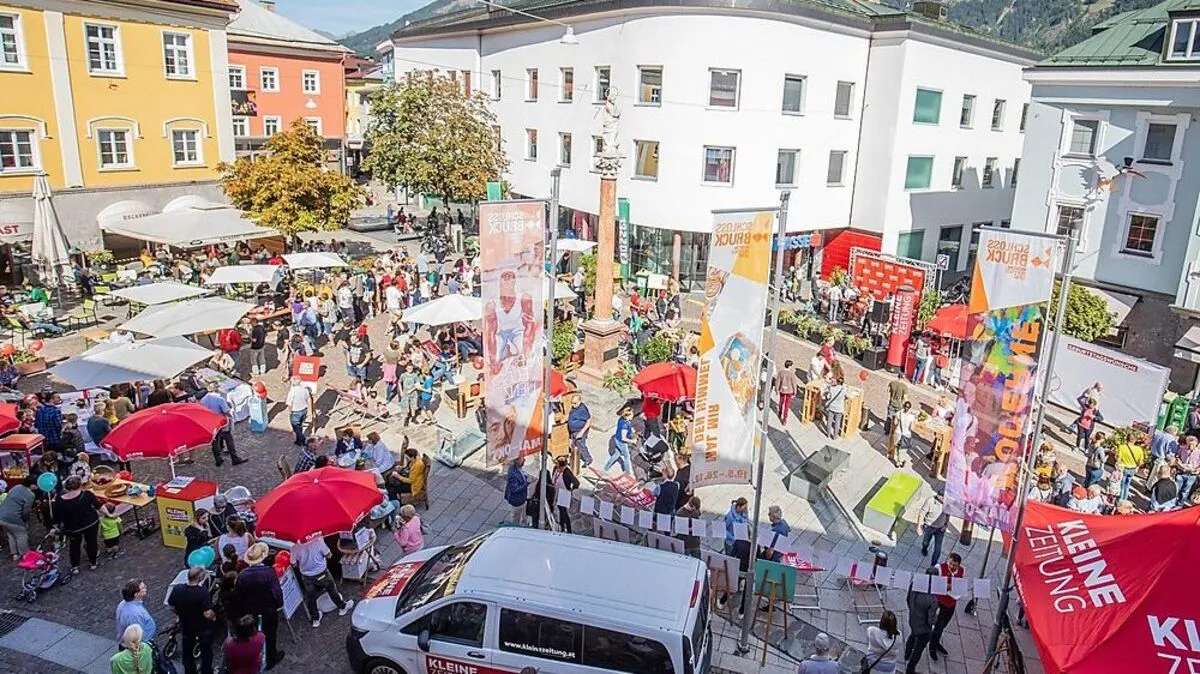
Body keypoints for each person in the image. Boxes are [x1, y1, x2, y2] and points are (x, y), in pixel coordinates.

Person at [236, 543, 284, 669]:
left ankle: (255, 656)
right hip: (268, 609)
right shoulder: (269, 572)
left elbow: (238, 595)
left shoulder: (242, 575)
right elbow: (277, 592)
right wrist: (279, 604)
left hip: (250, 610)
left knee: (253, 634)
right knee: (270, 634)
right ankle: (270, 659)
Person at [291, 535, 353, 628]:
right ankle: (342, 607)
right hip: (322, 572)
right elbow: (329, 555)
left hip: (307, 576)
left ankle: (315, 619)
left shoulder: (294, 547)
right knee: (332, 590)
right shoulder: (318, 540)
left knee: (311, 597)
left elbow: (294, 564)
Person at [168, 566, 217, 674]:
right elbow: (207, 613)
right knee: (206, 653)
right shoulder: (202, 592)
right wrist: (214, 617)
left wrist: (179, 613)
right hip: (203, 627)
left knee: (187, 653)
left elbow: (171, 606)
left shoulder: (178, 589)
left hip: (186, 626)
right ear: (200, 578)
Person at [53, 475, 102, 572]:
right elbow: (98, 506)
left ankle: (75, 566)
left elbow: (57, 516)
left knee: (74, 546)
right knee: (91, 543)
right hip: (90, 523)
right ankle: (93, 563)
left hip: (73, 527)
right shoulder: (87, 495)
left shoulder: (60, 501)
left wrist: (56, 526)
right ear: (80, 485)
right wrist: (109, 513)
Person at [928, 553, 965, 662]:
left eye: (955, 565)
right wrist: (949, 586)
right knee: (938, 627)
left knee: (943, 626)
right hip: (940, 603)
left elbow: (960, 584)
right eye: (950, 564)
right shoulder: (940, 568)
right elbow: (933, 584)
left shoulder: (962, 571)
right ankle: (932, 647)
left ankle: (936, 641)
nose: (952, 567)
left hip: (951, 604)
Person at [200, 384, 247, 466]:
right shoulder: (220, 399)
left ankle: (218, 459)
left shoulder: (203, 400)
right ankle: (234, 458)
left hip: (211, 423)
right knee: (229, 439)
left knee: (214, 441)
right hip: (221, 422)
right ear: (217, 389)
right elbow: (226, 411)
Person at [904, 567, 939, 674]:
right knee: (919, 649)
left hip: (913, 619)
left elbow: (908, 599)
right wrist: (937, 614)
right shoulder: (933, 599)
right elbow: (931, 621)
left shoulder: (914, 584)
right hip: (924, 628)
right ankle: (910, 669)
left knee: (913, 635)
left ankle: (907, 653)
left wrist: (913, 611)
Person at [0, 474, 37, 559]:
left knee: (11, 534)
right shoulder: (30, 495)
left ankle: (15, 554)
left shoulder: (16, 487)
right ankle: (25, 555)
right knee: (21, 534)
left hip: (1, 515)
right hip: (13, 517)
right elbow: (26, 511)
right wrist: (25, 521)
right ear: (32, 485)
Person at [115, 578, 156, 645]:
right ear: (136, 594)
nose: (146, 588)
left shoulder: (123, 603)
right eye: (143, 588)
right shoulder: (135, 614)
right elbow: (137, 636)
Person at [1115, 432, 1148, 502]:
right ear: (1135, 440)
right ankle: (1125, 499)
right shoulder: (1139, 449)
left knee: (1122, 484)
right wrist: (1137, 467)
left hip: (1124, 468)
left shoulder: (1122, 447)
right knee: (1127, 484)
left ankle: (1120, 499)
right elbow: (1141, 462)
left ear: (1127, 439)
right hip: (1132, 469)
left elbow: (1118, 459)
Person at [916, 491, 948, 564]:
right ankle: (924, 549)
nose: (944, 499)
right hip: (929, 527)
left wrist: (946, 525)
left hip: (940, 529)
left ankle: (933, 564)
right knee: (925, 542)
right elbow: (922, 514)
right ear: (938, 495)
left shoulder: (947, 503)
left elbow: (948, 515)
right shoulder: (930, 501)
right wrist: (919, 527)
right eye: (942, 496)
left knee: (938, 548)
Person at [550, 455, 579, 533]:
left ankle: (568, 529)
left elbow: (576, 483)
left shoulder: (567, 472)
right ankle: (562, 526)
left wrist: (571, 490)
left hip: (564, 494)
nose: (556, 464)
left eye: (557, 463)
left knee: (564, 512)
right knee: (560, 510)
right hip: (556, 491)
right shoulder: (555, 469)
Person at [605, 406, 635, 474]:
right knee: (627, 457)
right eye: (632, 415)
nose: (633, 416)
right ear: (628, 415)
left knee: (616, 454)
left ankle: (606, 468)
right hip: (622, 443)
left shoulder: (622, 419)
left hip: (617, 439)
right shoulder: (624, 426)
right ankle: (628, 473)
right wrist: (633, 441)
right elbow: (623, 438)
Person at [566, 394, 593, 467]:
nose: (573, 405)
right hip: (573, 431)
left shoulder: (583, 410)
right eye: (572, 403)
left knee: (581, 445)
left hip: (580, 430)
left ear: (580, 401)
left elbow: (588, 421)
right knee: (573, 445)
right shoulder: (574, 407)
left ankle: (588, 459)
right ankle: (573, 460)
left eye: (575, 403)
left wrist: (581, 432)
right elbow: (570, 413)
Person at [286, 377, 315, 447]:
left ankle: (303, 440)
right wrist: (309, 410)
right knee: (300, 426)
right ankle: (298, 441)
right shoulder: (305, 390)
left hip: (295, 411)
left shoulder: (292, 392)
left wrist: (290, 411)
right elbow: (309, 400)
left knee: (296, 427)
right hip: (304, 410)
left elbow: (289, 403)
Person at [891, 402, 917, 468]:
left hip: (898, 432)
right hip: (906, 434)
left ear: (903, 406)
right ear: (910, 408)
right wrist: (915, 421)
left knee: (896, 446)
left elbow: (895, 423)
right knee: (903, 448)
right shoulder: (911, 417)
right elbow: (911, 428)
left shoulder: (899, 413)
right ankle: (901, 461)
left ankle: (897, 461)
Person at [1176, 434, 1200, 507]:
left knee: (1185, 491)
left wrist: (1197, 470)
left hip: (1192, 474)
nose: (1190, 446)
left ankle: (1180, 504)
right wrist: (1180, 463)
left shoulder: (1198, 453)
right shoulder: (1182, 448)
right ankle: (1173, 503)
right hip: (1181, 471)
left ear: (1196, 444)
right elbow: (1177, 456)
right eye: (1189, 444)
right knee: (1177, 488)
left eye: (1193, 445)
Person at [505, 457, 529, 525]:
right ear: (516, 460)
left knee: (524, 514)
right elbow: (515, 489)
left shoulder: (519, 468)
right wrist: (527, 483)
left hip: (523, 498)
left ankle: (524, 523)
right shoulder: (512, 474)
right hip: (517, 501)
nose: (524, 460)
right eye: (522, 459)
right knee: (516, 519)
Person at [775, 359, 799, 424]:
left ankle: (779, 413)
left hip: (782, 390)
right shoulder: (791, 374)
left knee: (781, 402)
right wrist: (795, 392)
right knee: (787, 405)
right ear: (790, 366)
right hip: (789, 391)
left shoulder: (781, 372)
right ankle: (784, 419)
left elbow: (777, 382)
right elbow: (794, 383)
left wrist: (776, 390)